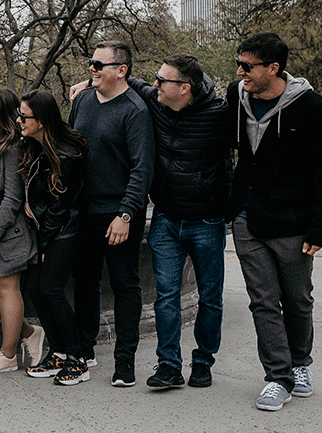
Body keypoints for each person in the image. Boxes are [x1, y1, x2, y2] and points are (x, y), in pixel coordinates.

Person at [227, 33, 322, 411]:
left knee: (297, 299)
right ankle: (278, 376)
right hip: (247, 217)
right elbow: (188, 93)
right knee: (263, 301)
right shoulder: (236, 96)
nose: (240, 71)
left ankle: (300, 362)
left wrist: (319, 228)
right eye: (239, 63)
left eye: (248, 65)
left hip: (294, 221)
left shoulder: (312, 107)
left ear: (273, 68)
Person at [125, 55, 229, 390]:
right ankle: (169, 365)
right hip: (167, 220)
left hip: (206, 222)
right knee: (165, 295)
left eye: (162, 80)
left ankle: (203, 361)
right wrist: (87, 83)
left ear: (184, 88)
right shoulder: (156, 103)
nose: (154, 83)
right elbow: (129, 82)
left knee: (210, 297)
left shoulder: (220, 115)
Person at [68, 40, 154, 387]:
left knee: (125, 286)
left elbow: (141, 169)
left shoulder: (135, 111)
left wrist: (126, 215)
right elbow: (72, 150)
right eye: (91, 63)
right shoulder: (84, 101)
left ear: (122, 70)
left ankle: (125, 362)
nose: (92, 69)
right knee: (85, 282)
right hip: (83, 211)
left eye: (98, 64)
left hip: (118, 214)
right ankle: (85, 350)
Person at [18, 89, 91, 386]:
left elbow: (59, 207)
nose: (20, 121)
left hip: (64, 231)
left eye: (25, 116)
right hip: (45, 230)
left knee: (50, 290)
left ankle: (78, 359)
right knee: (34, 288)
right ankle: (59, 352)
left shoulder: (66, 154)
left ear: (42, 120)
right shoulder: (36, 146)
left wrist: (45, 243)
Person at [0, 88, 45, 375]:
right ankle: (28, 332)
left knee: (6, 288)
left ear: (7, 115)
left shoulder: (13, 146)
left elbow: (13, 198)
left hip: (6, 231)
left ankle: (8, 354)